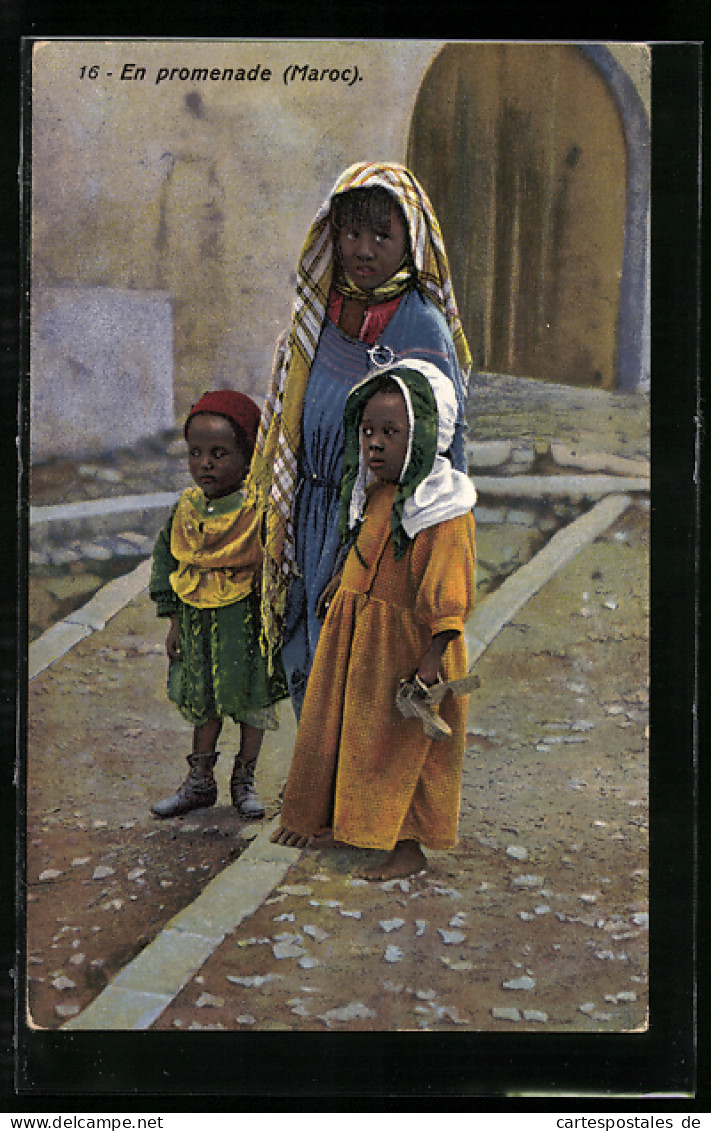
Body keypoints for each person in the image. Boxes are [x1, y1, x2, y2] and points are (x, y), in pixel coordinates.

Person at [244, 161, 473, 716]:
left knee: (356, 672)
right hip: (308, 511)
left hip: (376, 524)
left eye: (381, 235)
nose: (363, 249)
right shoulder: (317, 317)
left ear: (410, 241)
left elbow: (446, 454)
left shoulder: (421, 327)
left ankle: (349, 797)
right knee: (303, 656)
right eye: (350, 233)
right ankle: (318, 791)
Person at [270, 359, 477, 881]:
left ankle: (408, 846)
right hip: (361, 641)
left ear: (427, 434)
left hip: (410, 650)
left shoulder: (444, 511)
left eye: (391, 432)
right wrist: (343, 582)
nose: (375, 445)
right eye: (367, 432)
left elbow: (450, 598)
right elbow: (366, 544)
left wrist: (431, 664)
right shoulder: (381, 493)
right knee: (356, 734)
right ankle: (348, 822)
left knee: (404, 747)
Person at [149, 389, 287, 820]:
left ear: (248, 457)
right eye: (196, 453)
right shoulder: (185, 511)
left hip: (243, 627)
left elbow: (277, 568)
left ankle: (244, 780)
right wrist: (173, 621)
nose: (204, 464)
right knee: (203, 700)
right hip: (197, 625)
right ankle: (199, 781)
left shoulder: (258, 510)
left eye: (219, 453)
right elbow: (166, 563)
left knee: (249, 701)